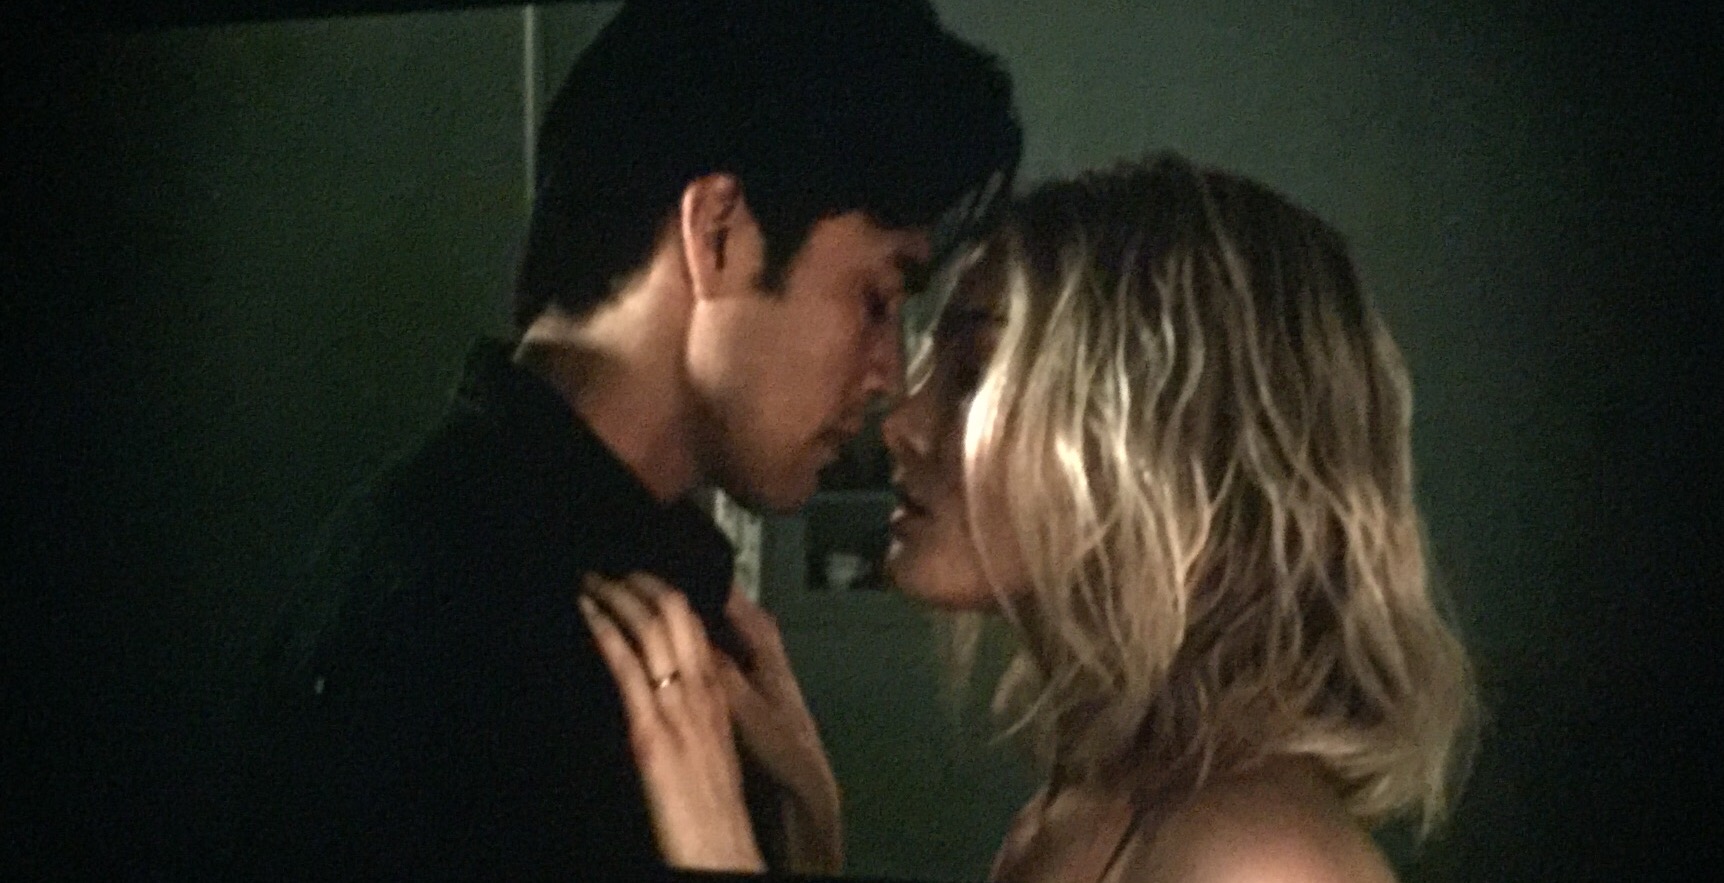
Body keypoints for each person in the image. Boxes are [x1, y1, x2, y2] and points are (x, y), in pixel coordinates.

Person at [245, 0, 1021, 877]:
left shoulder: (559, 559)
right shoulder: (482, 623)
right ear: (718, 232)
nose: (887, 375)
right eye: (876, 297)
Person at [582, 152, 1477, 881]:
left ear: (1152, 436)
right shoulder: (1090, 801)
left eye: (974, 373)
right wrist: (813, 836)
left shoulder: (1259, 862)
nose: (901, 423)